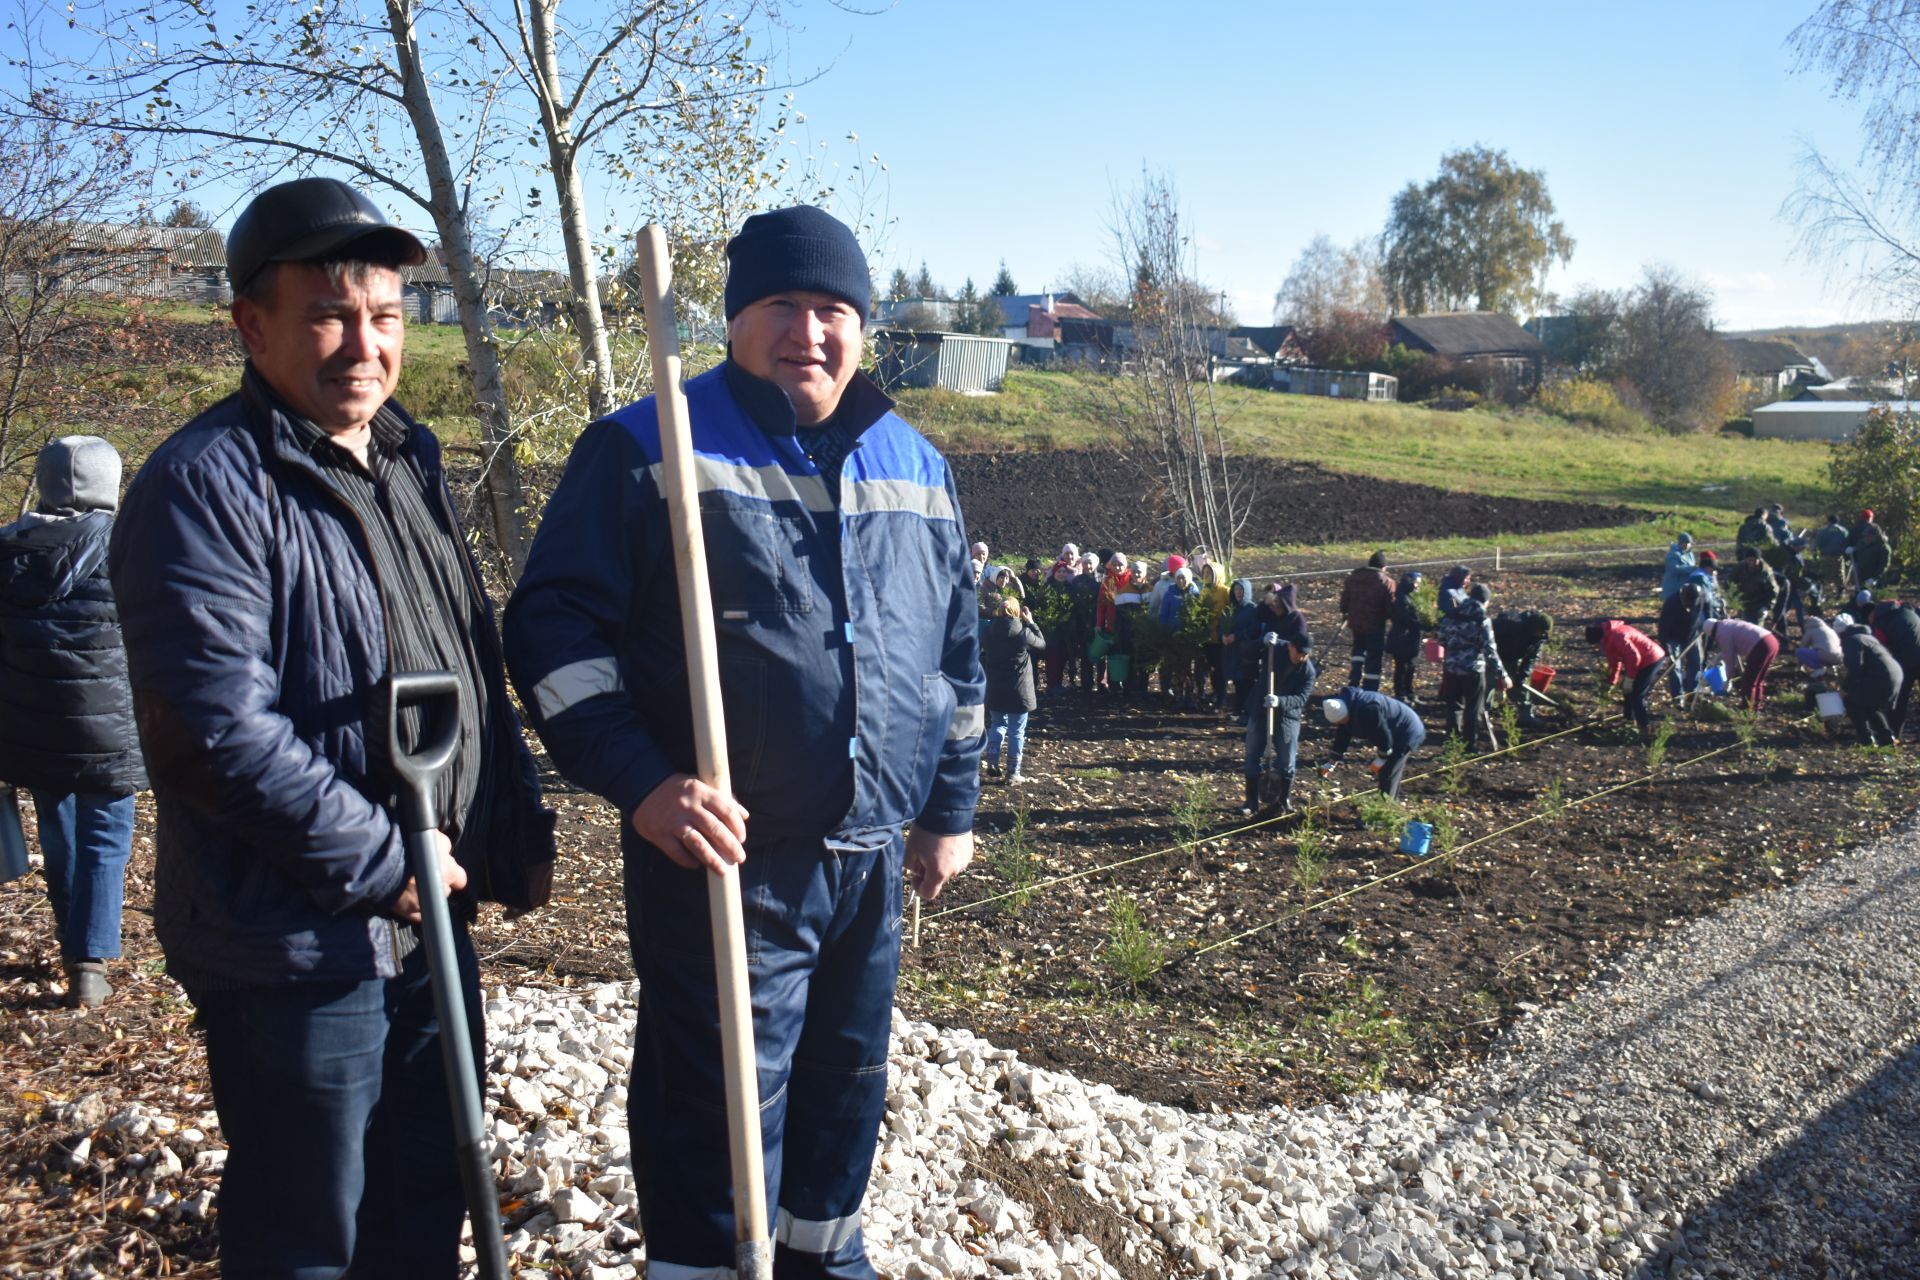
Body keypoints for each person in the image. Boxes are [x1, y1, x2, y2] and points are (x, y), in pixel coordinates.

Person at [502, 204, 981, 1280]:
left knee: (846, 1083)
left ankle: (824, 1256)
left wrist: (949, 808)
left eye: (833, 310)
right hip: (724, 857)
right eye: (783, 306)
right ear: (734, 319)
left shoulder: (918, 465)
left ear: (864, 327)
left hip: (869, 855)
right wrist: (642, 779)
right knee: (716, 1097)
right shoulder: (648, 446)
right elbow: (551, 631)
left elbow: (957, 656)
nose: (809, 331)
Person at [108, 177, 555, 1276]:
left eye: (387, 315)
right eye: (329, 314)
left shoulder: (406, 459)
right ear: (251, 326)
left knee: (421, 1200)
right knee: (310, 1229)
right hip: (294, 939)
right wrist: (380, 855)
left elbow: (454, 661)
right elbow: (211, 729)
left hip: (423, 916)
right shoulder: (205, 485)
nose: (364, 342)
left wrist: (503, 825)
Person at [0, 436, 146, 1009]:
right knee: (105, 835)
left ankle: (73, 945)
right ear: (109, 486)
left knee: (58, 832)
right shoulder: (132, 547)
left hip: (34, 725)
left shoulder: (9, 549)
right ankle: (90, 960)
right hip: (111, 728)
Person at [1239, 634, 1316, 816]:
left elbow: (1301, 698)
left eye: (1306, 655)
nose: (1302, 658)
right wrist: (1261, 641)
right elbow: (1246, 651)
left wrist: (1279, 701)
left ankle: (1283, 801)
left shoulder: (1308, 671)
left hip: (1288, 717)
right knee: (1252, 755)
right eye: (1299, 653)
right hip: (1260, 710)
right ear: (1290, 645)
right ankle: (1251, 801)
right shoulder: (1275, 649)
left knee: (1287, 761)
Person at [1322, 686, 1426, 802]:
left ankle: (1386, 811)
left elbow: (1383, 736)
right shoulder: (1346, 706)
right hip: (1391, 732)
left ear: (1346, 714)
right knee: (1387, 772)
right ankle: (1390, 803)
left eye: (1341, 721)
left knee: (1388, 771)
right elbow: (1343, 735)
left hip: (1406, 731)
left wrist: (1382, 758)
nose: (1340, 724)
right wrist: (1332, 761)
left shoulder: (1369, 710)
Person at [1438, 583, 1511, 746]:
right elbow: (1490, 650)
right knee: (1473, 708)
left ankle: (1453, 744)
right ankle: (1470, 745)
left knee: (1454, 707)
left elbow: (1442, 639)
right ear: (1485, 601)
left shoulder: (1451, 614)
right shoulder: (1482, 620)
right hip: (1473, 670)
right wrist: (1503, 675)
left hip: (1451, 668)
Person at [981, 594, 1045, 783]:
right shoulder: (1022, 634)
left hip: (996, 687)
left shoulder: (988, 633)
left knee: (997, 724)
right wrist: (1031, 622)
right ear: (1017, 612)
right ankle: (1013, 772)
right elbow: (1042, 644)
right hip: (1019, 690)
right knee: (1017, 731)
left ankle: (992, 760)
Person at [1587, 619, 1665, 736]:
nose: (1597, 648)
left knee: (1637, 694)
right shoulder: (1608, 638)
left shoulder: (1617, 636)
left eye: (1597, 645)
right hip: (1643, 661)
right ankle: (1629, 720)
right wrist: (1612, 681)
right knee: (1626, 690)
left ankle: (1644, 728)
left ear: (1600, 640)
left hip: (1651, 658)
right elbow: (1614, 662)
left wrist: (1630, 678)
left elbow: (1634, 657)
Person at [1837, 616, 1903, 745]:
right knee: (1871, 705)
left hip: (1881, 676)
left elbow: (1855, 667)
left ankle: (1865, 739)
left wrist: (1845, 689)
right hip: (1895, 673)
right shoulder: (1868, 638)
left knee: (1852, 701)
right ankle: (1886, 739)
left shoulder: (1852, 640)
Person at [1338, 550, 1395, 691]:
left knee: (1358, 650)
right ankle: (1370, 687)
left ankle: (1354, 678)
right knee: (1374, 655)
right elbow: (1390, 606)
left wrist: (1346, 612)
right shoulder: (1386, 582)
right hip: (1376, 624)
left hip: (1356, 622)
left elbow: (1345, 599)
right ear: (1383, 567)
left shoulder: (1353, 578)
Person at [1491, 608, 1554, 722]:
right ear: (1534, 627)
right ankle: (1483, 713)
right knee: (1489, 683)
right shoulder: (1510, 625)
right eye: (1540, 631)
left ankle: (1525, 715)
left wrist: (1522, 675)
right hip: (1494, 654)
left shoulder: (1539, 638)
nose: (1542, 634)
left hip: (1511, 658)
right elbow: (1489, 636)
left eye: (1544, 632)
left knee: (1517, 686)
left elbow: (1532, 657)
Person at [1706, 616, 1780, 712]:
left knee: (1749, 680)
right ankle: (1756, 706)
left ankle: (1748, 709)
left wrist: (1728, 679)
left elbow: (1729, 658)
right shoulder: (1727, 624)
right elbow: (1729, 650)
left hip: (1761, 645)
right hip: (1771, 641)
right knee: (1758, 679)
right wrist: (1717, 658)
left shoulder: (1721, 633)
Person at [1870, 600, 1920, 736]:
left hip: (1905, 662)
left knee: (1900, 699)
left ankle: (1894, 734)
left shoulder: (1881, 621)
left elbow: (1880, 649)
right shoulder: (1910, 612)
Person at [1658, 581, 1710, 701]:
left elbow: (1709, 614)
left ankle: (1693, 692)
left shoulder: (1702, 597)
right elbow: (1663, 629)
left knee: (1696, 661)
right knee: (1674, 665)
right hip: (1673, 637)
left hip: (1693, 635)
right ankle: (1678, 696)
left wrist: (1707, 640)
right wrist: (1667, 651)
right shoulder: (1671, 603)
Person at [1385, 571, 1427, 702]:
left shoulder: (1410, 596)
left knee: (1410, 667)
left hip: (1411, 638)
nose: (1418, 586)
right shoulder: (1402, 598)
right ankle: (1400, 693)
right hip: (1402, 638)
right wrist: (1422, 624)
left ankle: (1408, 692)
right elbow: (1405, 618)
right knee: (1402, 668)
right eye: (1417, 583)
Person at [1729, 547, 1780, 626]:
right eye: (1749, 560)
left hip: (1759, 604)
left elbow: (1773, 591)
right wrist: (1732, 598)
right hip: (1744, 602)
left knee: (1756, 628)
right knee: (1743, 626)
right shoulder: (1740, 568)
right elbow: (1730, 582)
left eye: (1754, 560)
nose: (1751, 562)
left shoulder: (1765, 572)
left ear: (1759, 559)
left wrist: (1767, 607)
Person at [1849, 509, 1891, 587]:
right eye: (1865, 536)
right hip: (1862, 576)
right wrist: (1853, 550)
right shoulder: (1862, 543)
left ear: (1875, 536)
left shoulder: (1883, 547)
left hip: (1876, 579)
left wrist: (1875, 578)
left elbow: (1883, 565)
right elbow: (1857, 550)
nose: (1865, 538)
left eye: (1868, 536)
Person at [1661, 532, 1697, 601]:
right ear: (1680, 543)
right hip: (1673, 588)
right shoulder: (1673, 554)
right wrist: (1692, 569)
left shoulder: (1690, 554)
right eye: (1685, 543)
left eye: (1688, 543)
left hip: (1685, 588)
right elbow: (1674, 569)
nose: (1687, 545)